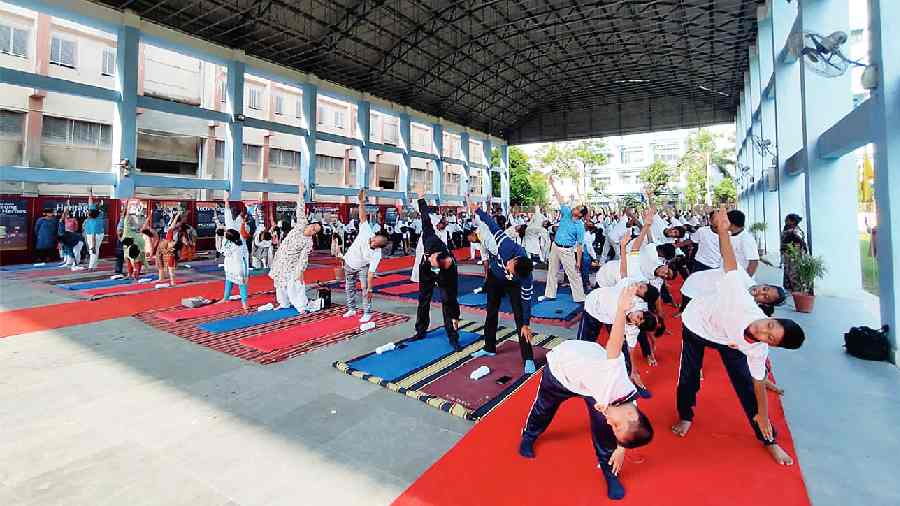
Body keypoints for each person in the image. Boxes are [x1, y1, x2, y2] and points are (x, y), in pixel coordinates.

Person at [672, 206, 805, 466]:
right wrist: (723, 231)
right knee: (689, 373)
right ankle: (685, 415)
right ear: (769, 317)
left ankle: (769, 441)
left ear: (770, 345)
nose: (762, 331)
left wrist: (764, 416)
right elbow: (730, 261)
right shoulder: (740, 299)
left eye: (770, 337)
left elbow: (756, 384)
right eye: (769, 325)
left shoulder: (757, 349)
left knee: (744, 385)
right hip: (696, 324)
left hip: (728, 340)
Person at [519, 285, 654, 501]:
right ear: (629, 415)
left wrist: (621, 449)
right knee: (543, 408)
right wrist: (621, 310)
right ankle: (528, 436)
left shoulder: (628, 402)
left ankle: (610, 473)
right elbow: (614, 342)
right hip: (562, 371)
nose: (613, 424)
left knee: (603, 433)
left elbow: (628, 421)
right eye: (617, 425)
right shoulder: (614, 375)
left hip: (590, 386)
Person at [467, 195, 537, 374]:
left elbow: (526, 301)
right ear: (515, 258)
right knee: (491, 311)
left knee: (521, 319)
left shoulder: (525, 278)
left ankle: (528, 358)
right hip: (495, 277)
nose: (509, 267)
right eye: (511, 265)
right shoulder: (505, 245)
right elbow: (492, 224)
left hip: (512, 286)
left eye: (512, 270)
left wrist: (526, 323)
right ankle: (489, 347)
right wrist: (477, 210)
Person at [579, 276, 659, 397]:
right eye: (639, 317)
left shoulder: (634, 326)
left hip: (610, 317)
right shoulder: (628, 302)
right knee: (584, 344)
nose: (635, 319)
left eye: (637, 323)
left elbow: (630, 349)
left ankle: (629, 379)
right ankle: (580, 374)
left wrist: (634, 370)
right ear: (642, 311)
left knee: (623, 350)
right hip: (594, 305)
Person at [410, 192, 461, 349]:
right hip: (425, 271)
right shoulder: (429, 237)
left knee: (447, 301)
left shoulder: (450, 267)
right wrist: (421, 199)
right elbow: (425, 216)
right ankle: (421, 330)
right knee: (424, 299)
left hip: (445, 277)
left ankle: (453, 337)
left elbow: (452, 296)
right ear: (432, 256)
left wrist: (455, 316)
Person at [269, 180, 321, 312]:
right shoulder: (301, 224)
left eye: (315, 231)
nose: (313, 230)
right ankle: (283, 303)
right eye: (313, 226)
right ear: (310, 224)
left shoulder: (308, 242)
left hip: (292, 264)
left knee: (295, 285)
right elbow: (300, 208)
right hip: (281, 258)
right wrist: (300, 193)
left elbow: (304, 258)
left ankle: (301, 306)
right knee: (279, 284)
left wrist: (300, 272)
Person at [342, 189, 388, 323]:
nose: (372, 241)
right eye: (374, 239)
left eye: (375, 243)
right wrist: (361, 202)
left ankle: (367, 312)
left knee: (364, 289)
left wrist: (369, 288)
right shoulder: (367, 231)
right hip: (349, 262)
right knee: (349, 287)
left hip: (363, 266)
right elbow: (363, 217)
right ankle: (351, 309)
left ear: (378, 247)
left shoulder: (376, 255)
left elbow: (370, 273)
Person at [540, 177, 587, 303]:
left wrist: (578, 261)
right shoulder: (566, 213)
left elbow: (580, 245)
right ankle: (550, 294)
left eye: (577, 209)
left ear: (581, 214)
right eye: (576, 207)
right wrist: (552, 184)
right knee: (552, 271)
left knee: (574, 274)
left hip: (567, 251)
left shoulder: (580, 226)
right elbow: (560, 198)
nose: (574, 209)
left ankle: (580, 297)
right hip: (555, 246)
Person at [218, 194, 251, 311]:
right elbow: (227, 213)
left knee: (241, 282)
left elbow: (244, 260)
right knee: (229, 279)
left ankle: (244, 303)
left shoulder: (239, 238)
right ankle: (226, 297)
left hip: (238, 263)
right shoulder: (231, 229)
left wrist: (246, 274)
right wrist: (226, 201)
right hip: (230, 262)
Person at [780, 213, 807, 292]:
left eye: (787, 220)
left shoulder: (796, 231)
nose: (785, 221)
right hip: (788, 254)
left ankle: (797, 291)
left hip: (794, 255)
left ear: (793, 221)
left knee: (793, 273)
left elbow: (801, 244)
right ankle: (788, 289)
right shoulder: (787, 229)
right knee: (787, 272)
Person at [83, 190, 105, 270]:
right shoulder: (97, 214)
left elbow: (93, 237)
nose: (87, 213)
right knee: (96, 249)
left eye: (88, 213)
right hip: (96, 234)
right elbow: (90, 203)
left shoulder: (94, 223)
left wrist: (93, 245)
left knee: (93, 249)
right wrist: (90, 194)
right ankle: (94, 265)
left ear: (91, 216)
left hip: (95, 236)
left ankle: (91, 267)